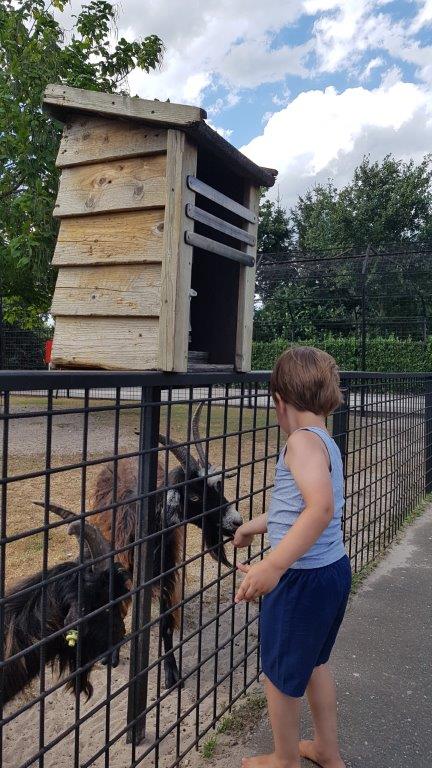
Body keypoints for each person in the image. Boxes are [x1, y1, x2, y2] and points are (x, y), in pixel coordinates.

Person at [234, 346, 351, 768]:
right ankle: (325, 750)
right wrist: (253, 527)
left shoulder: (300, 443)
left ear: (280, 402)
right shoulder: (325, 441)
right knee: (316, 662)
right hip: (332, 571)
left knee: (281, 677)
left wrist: (273, 564)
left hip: (301, 579)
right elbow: (300, 510)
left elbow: (318, 508)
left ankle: (285, 760)